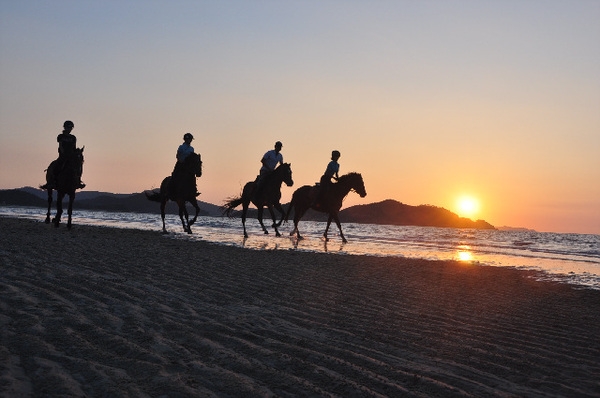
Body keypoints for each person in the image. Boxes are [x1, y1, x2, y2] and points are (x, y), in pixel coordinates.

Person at [44, 120, 85, 189]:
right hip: (63, 155)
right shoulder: (61, 136)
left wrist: (76, 152)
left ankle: (78, 181)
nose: (69, 129)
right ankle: (52, 182)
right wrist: (63, 153)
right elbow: (60, 145)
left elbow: (74, 146)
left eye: (71, 128)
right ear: (65, 127)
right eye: (68, 127)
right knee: (57, 165)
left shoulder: (73, 138)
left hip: (71, 156)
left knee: (78, 166)